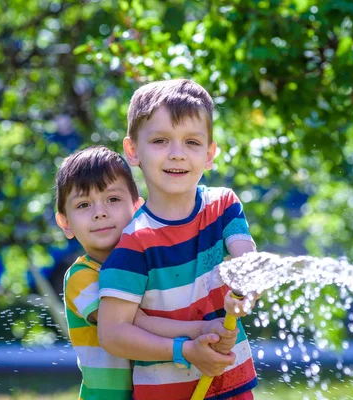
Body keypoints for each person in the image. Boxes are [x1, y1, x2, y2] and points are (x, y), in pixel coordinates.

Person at [98, 79, 259, 400]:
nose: (177, 154)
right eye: (160, 140)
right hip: (166, 392)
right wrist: (184, 350)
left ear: (210, 153)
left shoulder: (222, 206)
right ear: (133, 151)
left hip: (232, 382)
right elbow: (113, 333)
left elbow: (247, 259)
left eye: (192, 142)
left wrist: (245, 290)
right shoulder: (135, 243)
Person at [55, 145, 239, 400]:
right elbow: (133, 322)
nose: (100, 213)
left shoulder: (147, 267)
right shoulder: (82, 276)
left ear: (137, 206)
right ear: (65, 223)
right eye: (84, 204)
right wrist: (198, 332)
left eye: (113, 199)